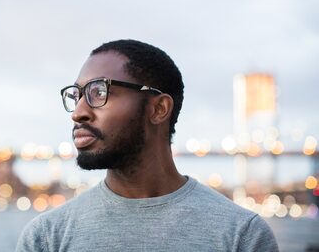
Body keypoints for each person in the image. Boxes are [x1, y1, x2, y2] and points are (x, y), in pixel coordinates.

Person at [16, 39, 279, 251]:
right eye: (77, 96)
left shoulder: (243, 236)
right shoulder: (46, 238)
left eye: (99, 92)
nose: (78, 112)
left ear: (159, 108)